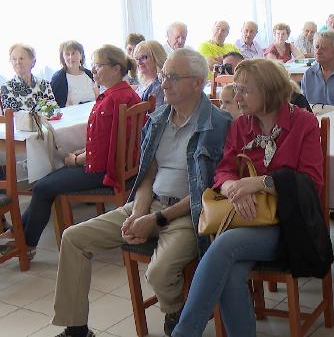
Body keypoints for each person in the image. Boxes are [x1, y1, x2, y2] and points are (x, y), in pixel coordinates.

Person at [48, 49, 231, 337]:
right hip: (151, 203)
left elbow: (208, 191)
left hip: (190, 214)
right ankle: (76, 329)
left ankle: (175, 311)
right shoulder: (158, 119)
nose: (164, 83)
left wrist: (156, 220)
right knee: (73, 238)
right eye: (163, 76)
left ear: (197, 83)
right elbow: (147, 173)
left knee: (158, 272)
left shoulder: (218, 125)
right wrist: (137, 212)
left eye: (172, 77)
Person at [172, 58, 324, 337]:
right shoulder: (241, 125)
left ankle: (184, 333)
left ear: (268, 91)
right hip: (247, 218)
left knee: (225, 244)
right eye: (236, 89)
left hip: (288, 223)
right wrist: (232, 188)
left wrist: (260, 183)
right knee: (230, 275)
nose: (236, 97)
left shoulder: (303, 122)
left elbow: (311, 185)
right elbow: (224, 170)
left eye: (245, 91)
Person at [0, 45, 139, 260]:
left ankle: (26, 243)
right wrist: (82, 153)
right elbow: (108, 140)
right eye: (93, 66)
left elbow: (100, 155)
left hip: (104, 171)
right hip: (122, 165)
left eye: (99, 66)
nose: (94, 71)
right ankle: (17, 234)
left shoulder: (110, 101)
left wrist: (75, 159)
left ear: (116, 69)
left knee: (43, 186)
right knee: (48, 180)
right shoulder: (126, 94)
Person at [1, 43, 55, 112]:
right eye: (14, 59)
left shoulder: (44, 84)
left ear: (33, 62)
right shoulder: (6, 88)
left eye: (21, 58)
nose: (17, 62)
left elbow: (53, 111)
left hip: (46, 123)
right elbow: (12, 117)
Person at [51, 40, 98, 108]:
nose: (70, 57)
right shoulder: (58, 78)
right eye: (67, 54)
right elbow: (57, 107)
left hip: (94, 114)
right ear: (63, 58)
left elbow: (98, 98)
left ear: (81, 56)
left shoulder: (90, 74)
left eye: (73, 53)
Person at [134, 40, 168, 107]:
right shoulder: (144, 83)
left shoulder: (160, 85)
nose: (139, 62)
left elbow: (156, 116)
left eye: (143, 57)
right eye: (137, 58)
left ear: (156, 57)